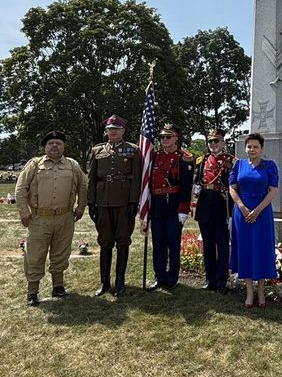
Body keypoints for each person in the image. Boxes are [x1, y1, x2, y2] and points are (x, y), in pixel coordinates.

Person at [15, 130, 87, 306]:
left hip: (65, 218)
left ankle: (58, 287)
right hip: (40, 219)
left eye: (58, 143)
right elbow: (20, 189)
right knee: (35, 255)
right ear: (45, 147)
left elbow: (83, 187)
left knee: (61, 253)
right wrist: (24, 213)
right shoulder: (34, 165)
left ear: (64, 146)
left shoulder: (72, 165)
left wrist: (81, 207)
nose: (54, 146)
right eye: (50, 143)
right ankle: (32, 292)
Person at [87, 115, 141, 297]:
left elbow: (136, 179)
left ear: (123, 130)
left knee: (123, 242)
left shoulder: (133, 150)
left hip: (124, 203)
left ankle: (120, 281)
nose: (113, 132)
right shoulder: (97, 150)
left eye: (117, 129)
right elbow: (91, 179)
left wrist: (134, 201)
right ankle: (104, 282)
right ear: (106, 131)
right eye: (110, 129)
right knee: (105, 242)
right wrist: (91, 202)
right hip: (103, 203)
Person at [229, 132, 279, 308]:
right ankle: (249, 291)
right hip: (241, 213)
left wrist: (257, 210)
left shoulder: (269, 166)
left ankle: (261, 290)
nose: (252, 149)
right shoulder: (239, 165)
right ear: (245, 148)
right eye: (249, 146)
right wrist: (241, 207)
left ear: (261, 148)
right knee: (246, 250)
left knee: (261, 249)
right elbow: (232, 188)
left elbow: (273, 190)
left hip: (262, 213)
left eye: (255, 146)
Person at [148, 123, 194, 290]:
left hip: (174, 206)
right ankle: (159, 276)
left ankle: (172, 277)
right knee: (158, 243)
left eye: (168, 137)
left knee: (173, 244)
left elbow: (187, 186)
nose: (164, 140)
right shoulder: (153, 156)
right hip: (157, 205)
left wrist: (183, 209)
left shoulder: (184, 157)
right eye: (162, 137)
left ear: (176, 138)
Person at [193, 128, 234, 293]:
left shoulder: (230, 160)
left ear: (223, 142)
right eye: (210, 141)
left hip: (221, 205)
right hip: (205, 205)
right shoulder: (202, 160)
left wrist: (231, 212)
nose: (213, 144)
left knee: (222, 246)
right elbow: (197, 181)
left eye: (216, 141)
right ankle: (209, 279)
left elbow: (233, 186)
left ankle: (221, 281)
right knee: (208, 245)